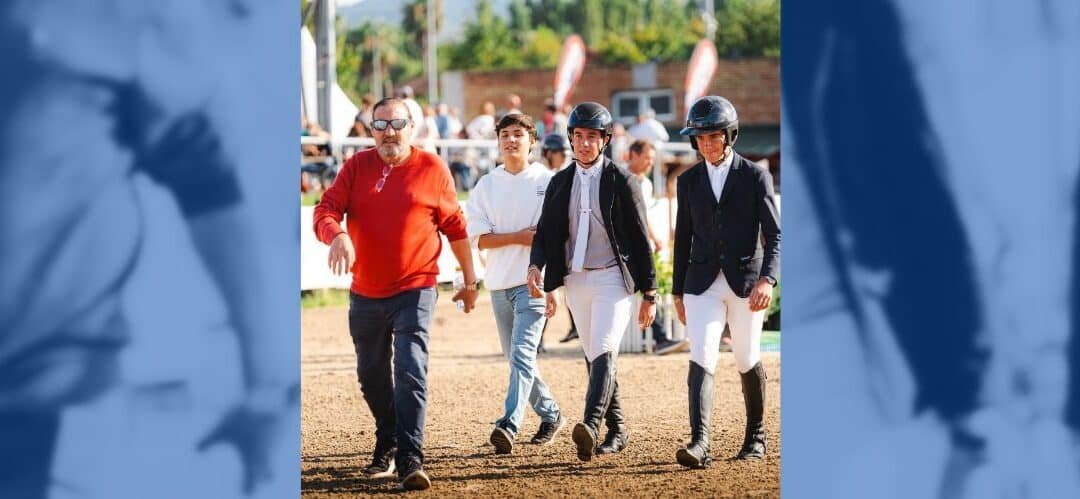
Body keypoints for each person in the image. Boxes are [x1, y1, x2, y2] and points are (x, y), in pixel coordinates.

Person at [312, 97, 480, 491]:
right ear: (370, 129)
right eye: (380, 124)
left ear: (413, 126)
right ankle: (387, 435)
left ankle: (410, 456)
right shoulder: (356, 167)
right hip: (365, 292)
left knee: (409, 369)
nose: (389, 131)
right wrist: (336, 234)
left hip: (416, 288)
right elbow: (325, 210)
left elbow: (456, 228)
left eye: (397, 123)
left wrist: (470, 283)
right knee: (370, 375)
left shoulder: (433, 169)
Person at [527, 102, 658, 462]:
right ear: (571, 138)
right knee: (594, 355)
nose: (584, 144)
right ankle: (617, 430)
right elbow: (545, 232)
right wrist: (537, 265)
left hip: (614, 278)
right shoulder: (560, 182)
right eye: (579, 136)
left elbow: (639, 238)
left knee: (603, 347)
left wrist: (651, 291)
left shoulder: (622, 181)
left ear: (605, 140)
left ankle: (590, 423)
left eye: (592, 137)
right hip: (576, 279)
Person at [671, 96, 780, 468]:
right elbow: (681, 238)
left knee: (746, 356)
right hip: (701, 282)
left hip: (746, 284)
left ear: (729, 135)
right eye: (699, 138)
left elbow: (776, 236)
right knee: (701, 354)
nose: (705, 144)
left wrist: (769, 279)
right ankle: (700, 442)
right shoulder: (687, 182)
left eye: (713, 136)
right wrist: (676, 291)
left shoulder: (754, 176)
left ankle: (756, 436)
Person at [466, 113, 565, 455]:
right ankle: (551, 414)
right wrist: (521, 237)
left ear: (532, 140)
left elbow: (554, 239)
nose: (511, 140)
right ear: (498, 141)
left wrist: (552, 286)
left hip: (532, 284)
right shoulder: (486, 185)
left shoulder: (548, 181)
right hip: (498, 285)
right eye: (505, 134)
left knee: (522, 354)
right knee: (518, 360)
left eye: (518, 134)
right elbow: (479, 240)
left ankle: (508, 424)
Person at [625, 139, 688, 355]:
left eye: (652, 160)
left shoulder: (647, 183)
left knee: (647, 289)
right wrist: (653, 237)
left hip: (643, 245)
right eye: (646, 158)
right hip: (628, 247)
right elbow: (636, 216)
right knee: (645, 288)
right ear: (632, 155)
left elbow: (645, 215)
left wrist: (654, 238)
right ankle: (659, 338)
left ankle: (656, 337)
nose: (650, 164)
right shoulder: (622, 179)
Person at [538, 134, 579, 344]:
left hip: (566, 240)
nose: (563, 157)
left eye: (565, 153)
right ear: (548, 153)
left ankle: (576, 326)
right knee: (547, 287)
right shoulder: (542, 177)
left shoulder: (567, 175)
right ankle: (539, 338)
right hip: (546, 239)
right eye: (559, 153)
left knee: (568, 286)